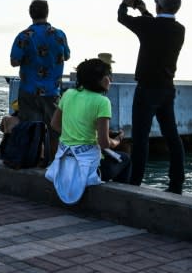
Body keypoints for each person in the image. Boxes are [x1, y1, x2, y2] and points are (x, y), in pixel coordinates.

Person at [118, 0, 186, 194]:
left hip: (147, 89)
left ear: (159, 6)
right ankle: (176, 184)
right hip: (166, 89)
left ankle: (135, 183)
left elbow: (122, 18)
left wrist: (125, 2)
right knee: (172, 137)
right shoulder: (179, 29)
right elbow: (155, 26)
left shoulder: (149, 25)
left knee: (140, 138)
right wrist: (143, 10)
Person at [46, 58, 131, 204]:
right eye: (109, 76)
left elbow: (54, 124)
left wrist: (75, 134)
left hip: (64, 161)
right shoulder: (102, 102)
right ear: (102, 79)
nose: (110, 79)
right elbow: (104, 143)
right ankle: (120, 202)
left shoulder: (69, 94)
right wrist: (117, 140)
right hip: (88, 167)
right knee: (126, 159)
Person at [10, 0, 70, 164]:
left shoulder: (23, 36)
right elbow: (67, 55)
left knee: (30, 128)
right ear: (47, 12)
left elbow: (14, 61)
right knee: (54, 130)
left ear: (30, 13)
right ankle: (53, 164)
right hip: (52, 91)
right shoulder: (59, 35)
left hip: (29, 90)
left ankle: (32, 160)